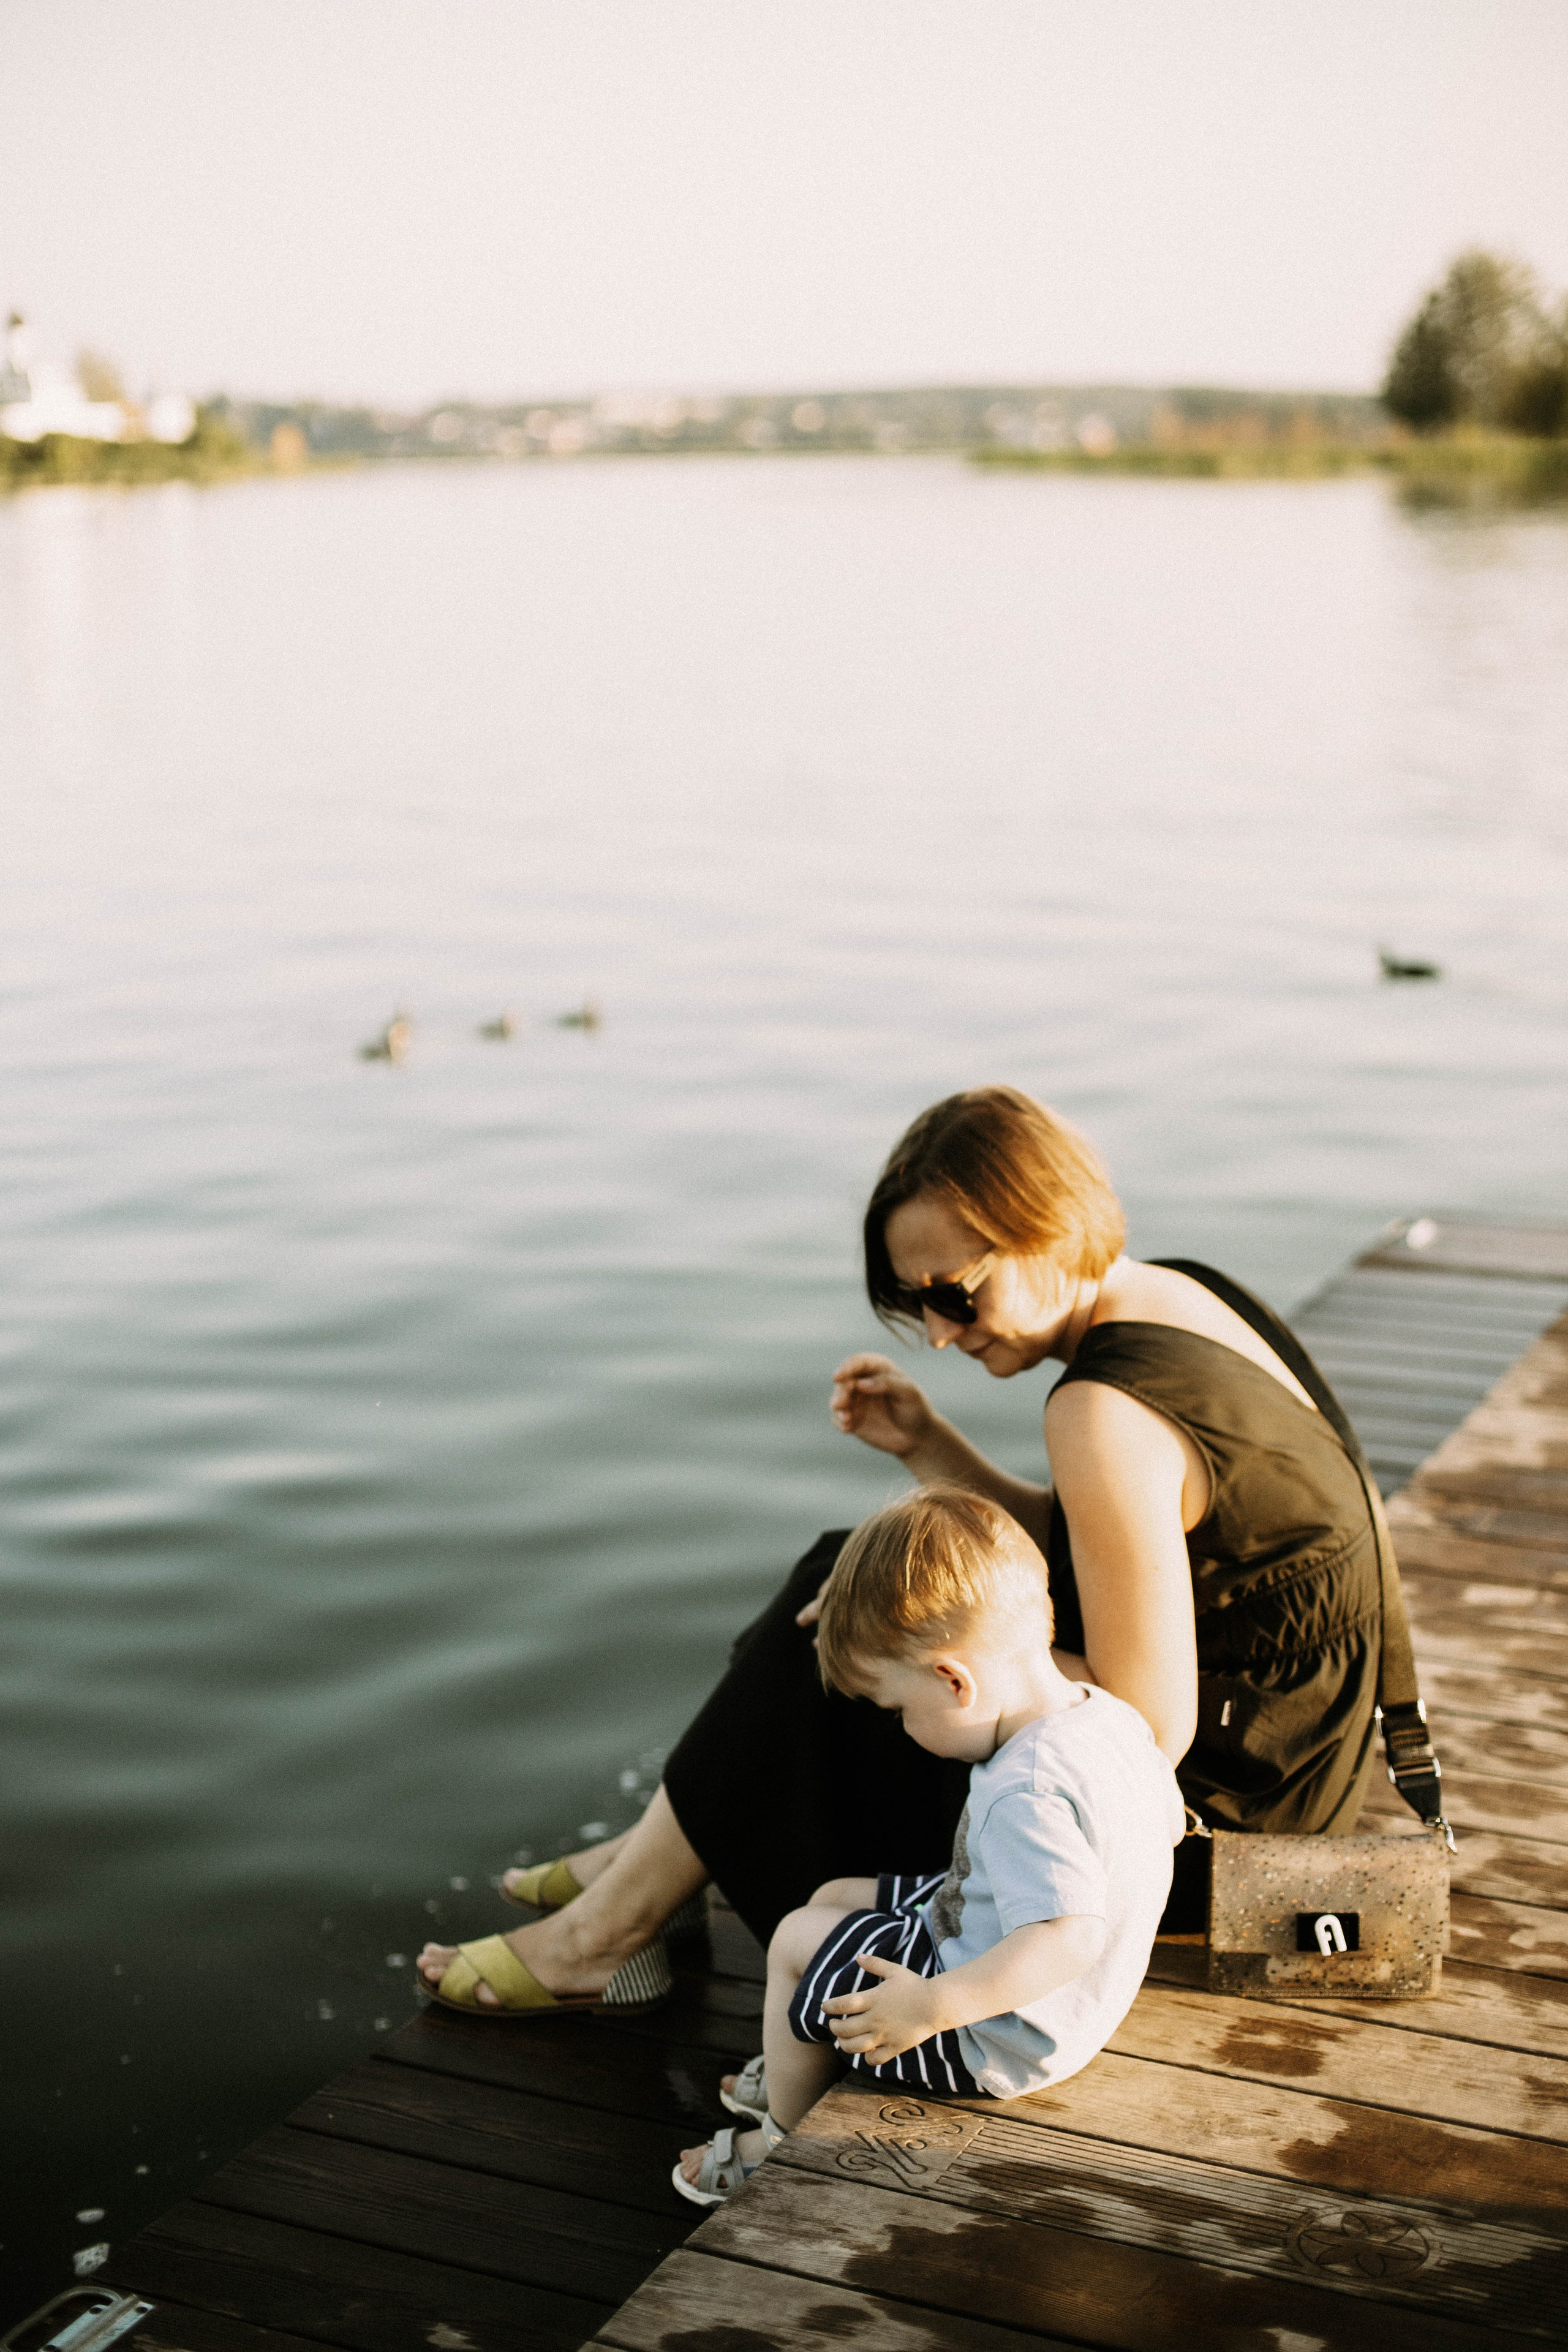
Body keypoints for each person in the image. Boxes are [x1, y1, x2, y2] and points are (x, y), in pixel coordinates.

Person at [418, 1085, 1384, 2013]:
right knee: (848, 1569)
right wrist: (930, 1447)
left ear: (1045, 1222)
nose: (934, 1332)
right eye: (913, 1302)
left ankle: (609, 1933)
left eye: (954, 1293)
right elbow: (1114, 1541)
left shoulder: (1102, 1411)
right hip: (1301, 1752)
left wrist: (917, 1637)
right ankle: (652, 1859)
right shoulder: (1183, 1294)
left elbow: (1142, 1727)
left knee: (844, 1646)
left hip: (1214, 1831)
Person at [673, 1485, 1183, 2204]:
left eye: (898, 1710)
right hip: (1059, 1997)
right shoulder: (1109, 1717)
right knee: (835, 1898)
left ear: (953, 1680)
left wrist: (934, 2006)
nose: (900, 1730)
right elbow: (1161, 1823)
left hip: (999, 2036)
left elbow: (1067, 1937)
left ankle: (782, 2140)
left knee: (796, 1939)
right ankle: (800, 2053)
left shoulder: (1023, 1790)